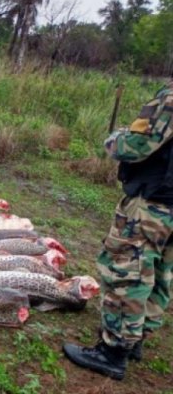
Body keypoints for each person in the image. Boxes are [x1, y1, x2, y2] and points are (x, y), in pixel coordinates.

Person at [63, 80, 173, 380]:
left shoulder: (170, 99)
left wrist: (114, 138)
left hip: (153, 204)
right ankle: (136, 338)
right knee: (160, 274)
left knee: (128, 270)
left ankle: (112, 352)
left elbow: (137, 145)